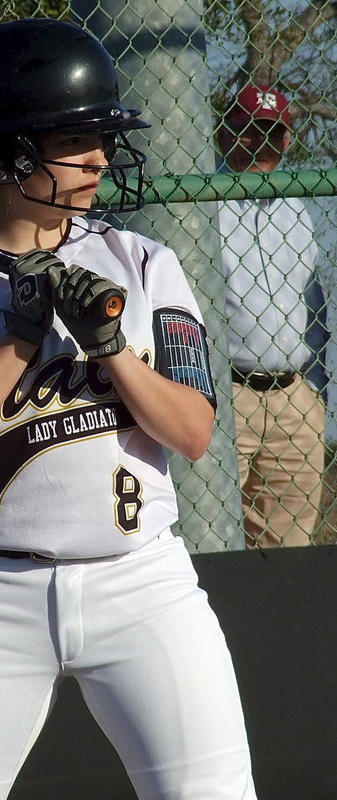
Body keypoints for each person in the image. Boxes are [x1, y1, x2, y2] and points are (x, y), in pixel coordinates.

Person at [0, 18, 257, 799]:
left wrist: (110, 345)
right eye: (74, 138)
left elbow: (193, 432)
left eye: (103, 137)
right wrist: (18, 342)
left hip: (143, 584)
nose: (100, 158)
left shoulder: (143, 264)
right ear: (9, 150)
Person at [216, 84, 328, 548]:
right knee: (210, 540)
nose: (260, 142)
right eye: (247, 131)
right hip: (227, 394)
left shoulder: (299, 207)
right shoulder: (204, 202)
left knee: (290, 550)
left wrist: (316, 393)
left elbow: (315, 306)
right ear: (225, 135)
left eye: (271, 131)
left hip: (295, 396)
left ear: (286, 140)